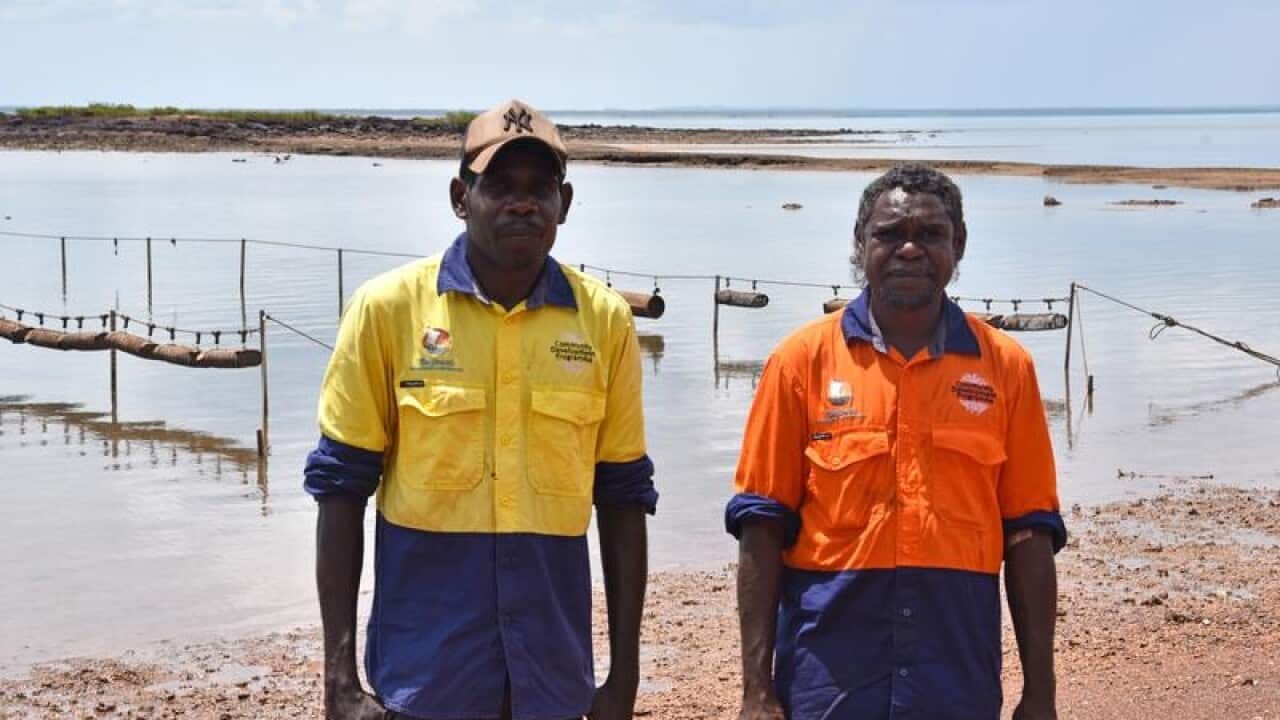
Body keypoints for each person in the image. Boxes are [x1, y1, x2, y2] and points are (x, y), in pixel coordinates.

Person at [304, 99, 657, 720]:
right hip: (424, 675)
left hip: (551, 675)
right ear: (460, 197)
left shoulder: (603, 321)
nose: (521, 203)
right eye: (499, 185)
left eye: (539, 189)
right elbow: (340, 490)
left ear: (564, 205)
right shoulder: (385, 310)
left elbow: (623, 498)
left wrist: (622, 678)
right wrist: (339, 680)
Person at [726, 164, 1066, 720]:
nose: (910, 248)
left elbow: (1029, 535)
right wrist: (755, 692)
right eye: (888, 234)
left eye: (930, 234)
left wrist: (1041, 693)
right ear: (860, 246)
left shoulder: (1007, 367)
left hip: (955, 671)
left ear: (959, 245)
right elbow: (760, 528)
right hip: (826, 674)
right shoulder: (799, 362)